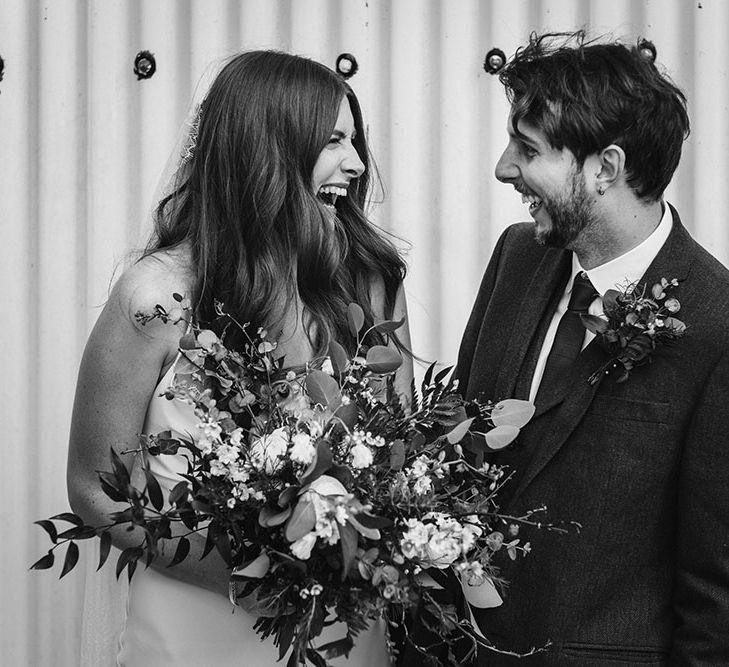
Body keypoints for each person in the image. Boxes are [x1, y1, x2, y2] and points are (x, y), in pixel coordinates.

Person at [67, 50, 413, 667]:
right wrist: (249, 581)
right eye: (334, 140)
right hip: (193, 628)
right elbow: (97, 487)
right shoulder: (158, 300)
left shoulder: (368, 281)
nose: (357, 165)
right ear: (269, 148)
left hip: (339, 627)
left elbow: (396, 448)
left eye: (356, 142)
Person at [452, 32, 729, 665]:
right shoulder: (517, 257)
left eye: (528, 149)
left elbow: (717, 587)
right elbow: (458, 443)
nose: (503, 167)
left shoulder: (718, 325)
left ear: (605, 168)